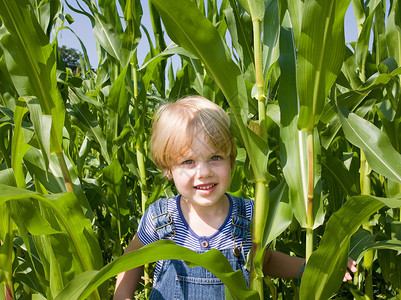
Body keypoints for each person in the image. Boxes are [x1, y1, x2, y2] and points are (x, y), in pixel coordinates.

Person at [114, 96, 357, 299]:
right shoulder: (161, 217)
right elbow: (131, 261)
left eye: (215, 158)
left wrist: (318, 267)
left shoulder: (249, 214)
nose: (204, 172)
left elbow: (266, 261)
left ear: (232, 159)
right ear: (168, 168)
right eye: (188, 161)